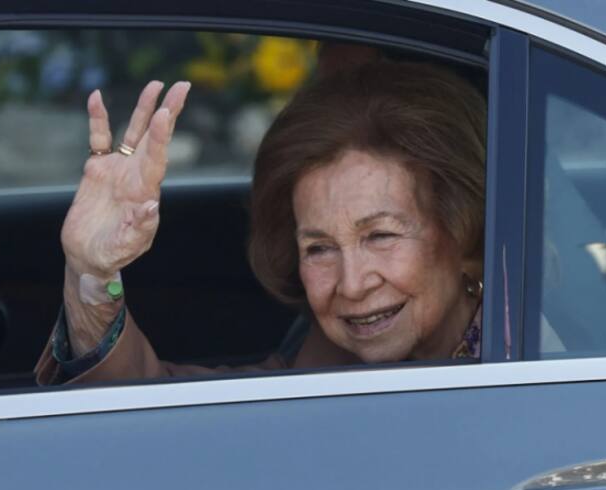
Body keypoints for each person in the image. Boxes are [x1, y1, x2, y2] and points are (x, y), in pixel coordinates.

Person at [34, 61, 486, 385]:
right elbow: (181, 417)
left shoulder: (537, 351)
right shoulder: (338, 349)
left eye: (381, 235)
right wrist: (92, 276)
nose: (351, 285)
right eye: (319, 248)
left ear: (463, 232)